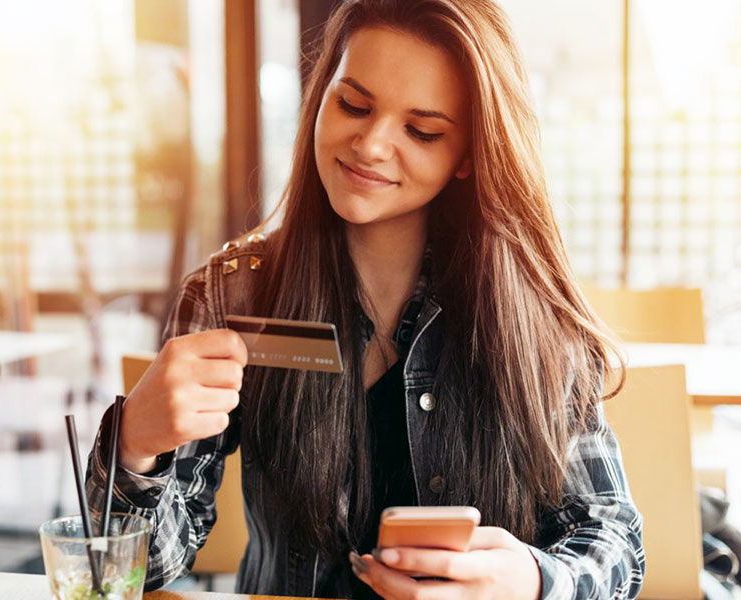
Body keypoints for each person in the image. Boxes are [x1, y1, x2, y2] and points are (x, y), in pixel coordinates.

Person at [85, 0, 645, 597]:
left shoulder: (528, 310)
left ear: (467, 156)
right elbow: (135, 571)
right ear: (319, 95)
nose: (372, 145)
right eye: (353, 104)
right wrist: (134, 450)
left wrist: (534, 580)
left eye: (422, 130)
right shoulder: (232, 292)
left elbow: (614, 541)